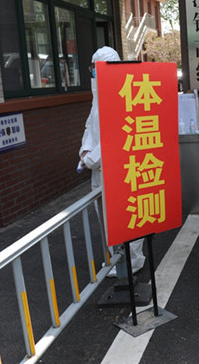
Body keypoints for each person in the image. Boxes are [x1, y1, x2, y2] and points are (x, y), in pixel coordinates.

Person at [79, 46, 145, 277]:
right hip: (100, 168)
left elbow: (116, 132)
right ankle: (117, 259)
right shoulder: (99, 94)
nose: (94, 73)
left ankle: (132, 261)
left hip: (119, 168)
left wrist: (90, 159)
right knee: (106, 218)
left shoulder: (122, 92)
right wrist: (85, 149)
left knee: (125, 215)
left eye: (98, 67)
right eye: (92, 68)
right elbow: (91, 125)